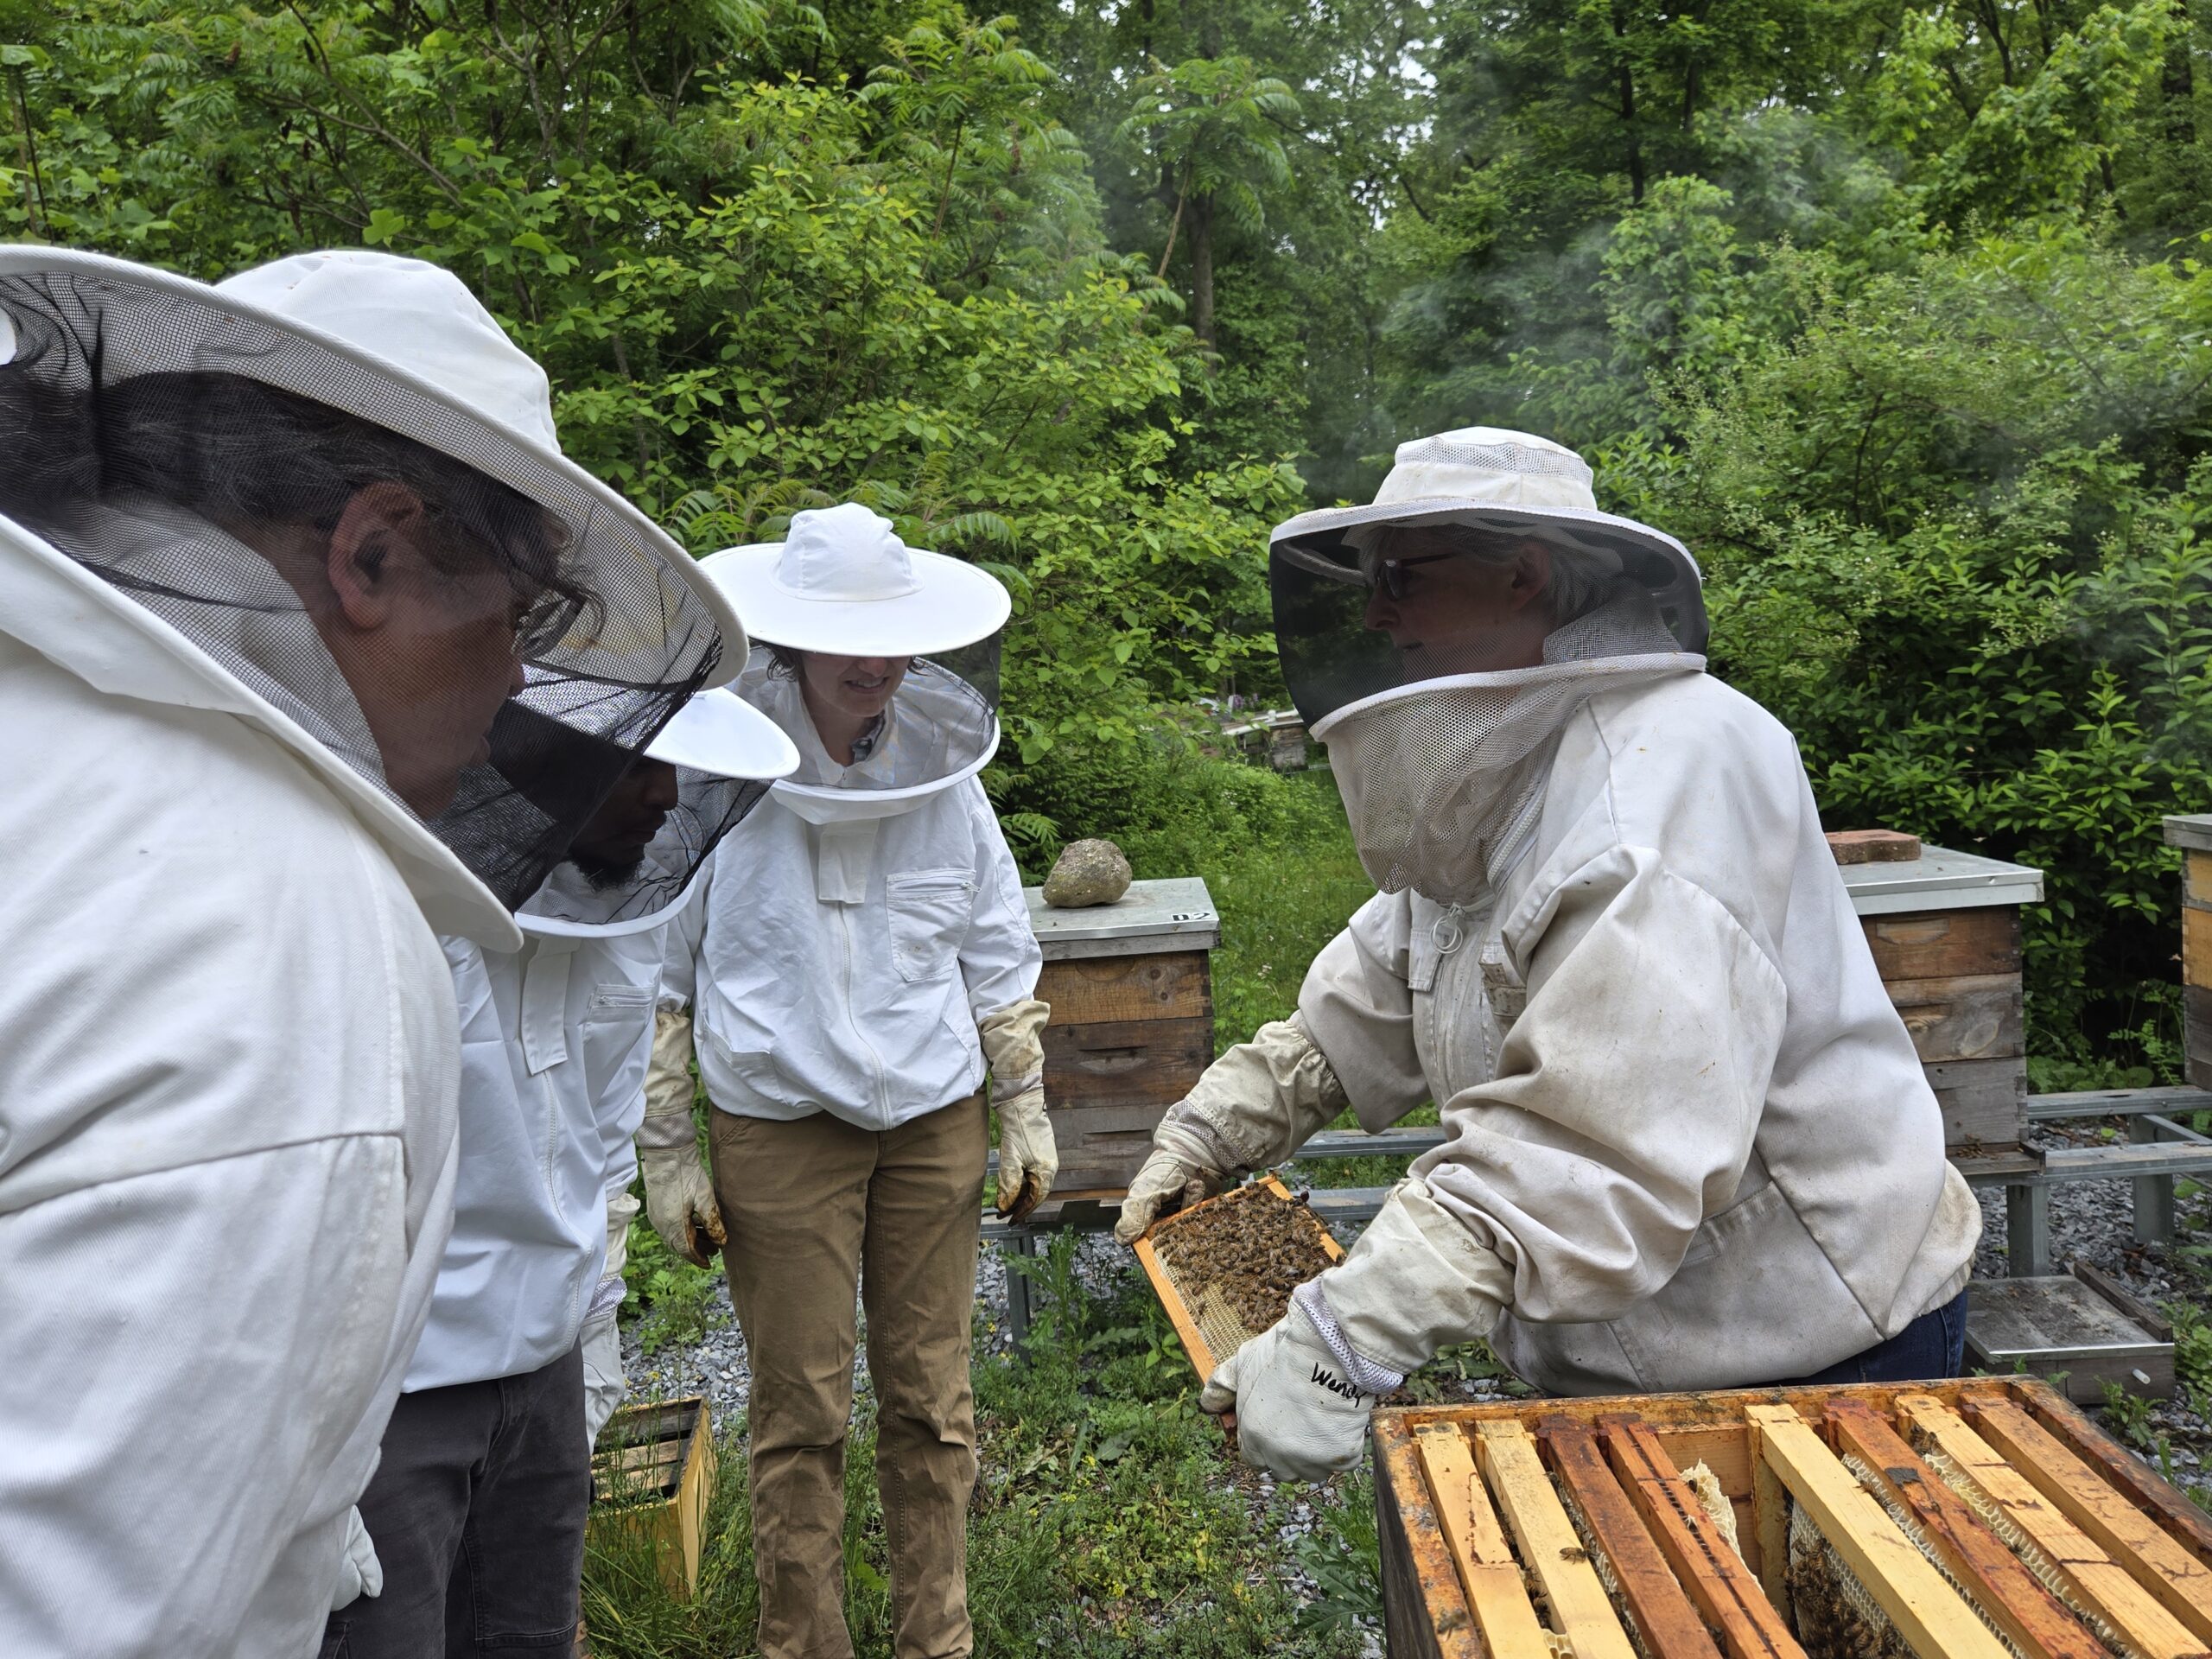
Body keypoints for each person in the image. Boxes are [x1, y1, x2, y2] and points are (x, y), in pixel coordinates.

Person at [0, 245, 742, 1657]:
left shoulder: (49, 737)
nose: (524, 681)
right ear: (374, 552)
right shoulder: (266, 928)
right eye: (520, 617)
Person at [1116, 427, 1981, 1479]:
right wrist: (1221, 1123)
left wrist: (1352, 1335)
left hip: (1811, 1347)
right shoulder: (1516, 755)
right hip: (1637, 1352)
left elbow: (1600, 1136)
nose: (1375, 611)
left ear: (1522, 574)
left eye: (1401, 577)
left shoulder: (1663, 776)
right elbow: (1406, 957)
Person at [649, 502, 1057, 1659]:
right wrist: (669, 1149)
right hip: (777, 1128)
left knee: (934, 1409)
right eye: (848, 640)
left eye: (893, 639)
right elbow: (659, 970)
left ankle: (940, 1642)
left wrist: (1019, 1099)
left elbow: (993, 942)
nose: (876, 666)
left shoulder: (946, 766)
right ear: (792, 641)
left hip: (933, 1121)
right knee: (801, 1419)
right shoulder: (717, 773)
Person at [324, 688, 796, 1658]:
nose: (667, 796)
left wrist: (589, 1330)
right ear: (533, 764)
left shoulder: (627, 916)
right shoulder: (387, 909)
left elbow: (594, 1156)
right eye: (634, 766)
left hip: (542, 1374)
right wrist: (304, 1453)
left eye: (678, 766)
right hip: (393, 1396)